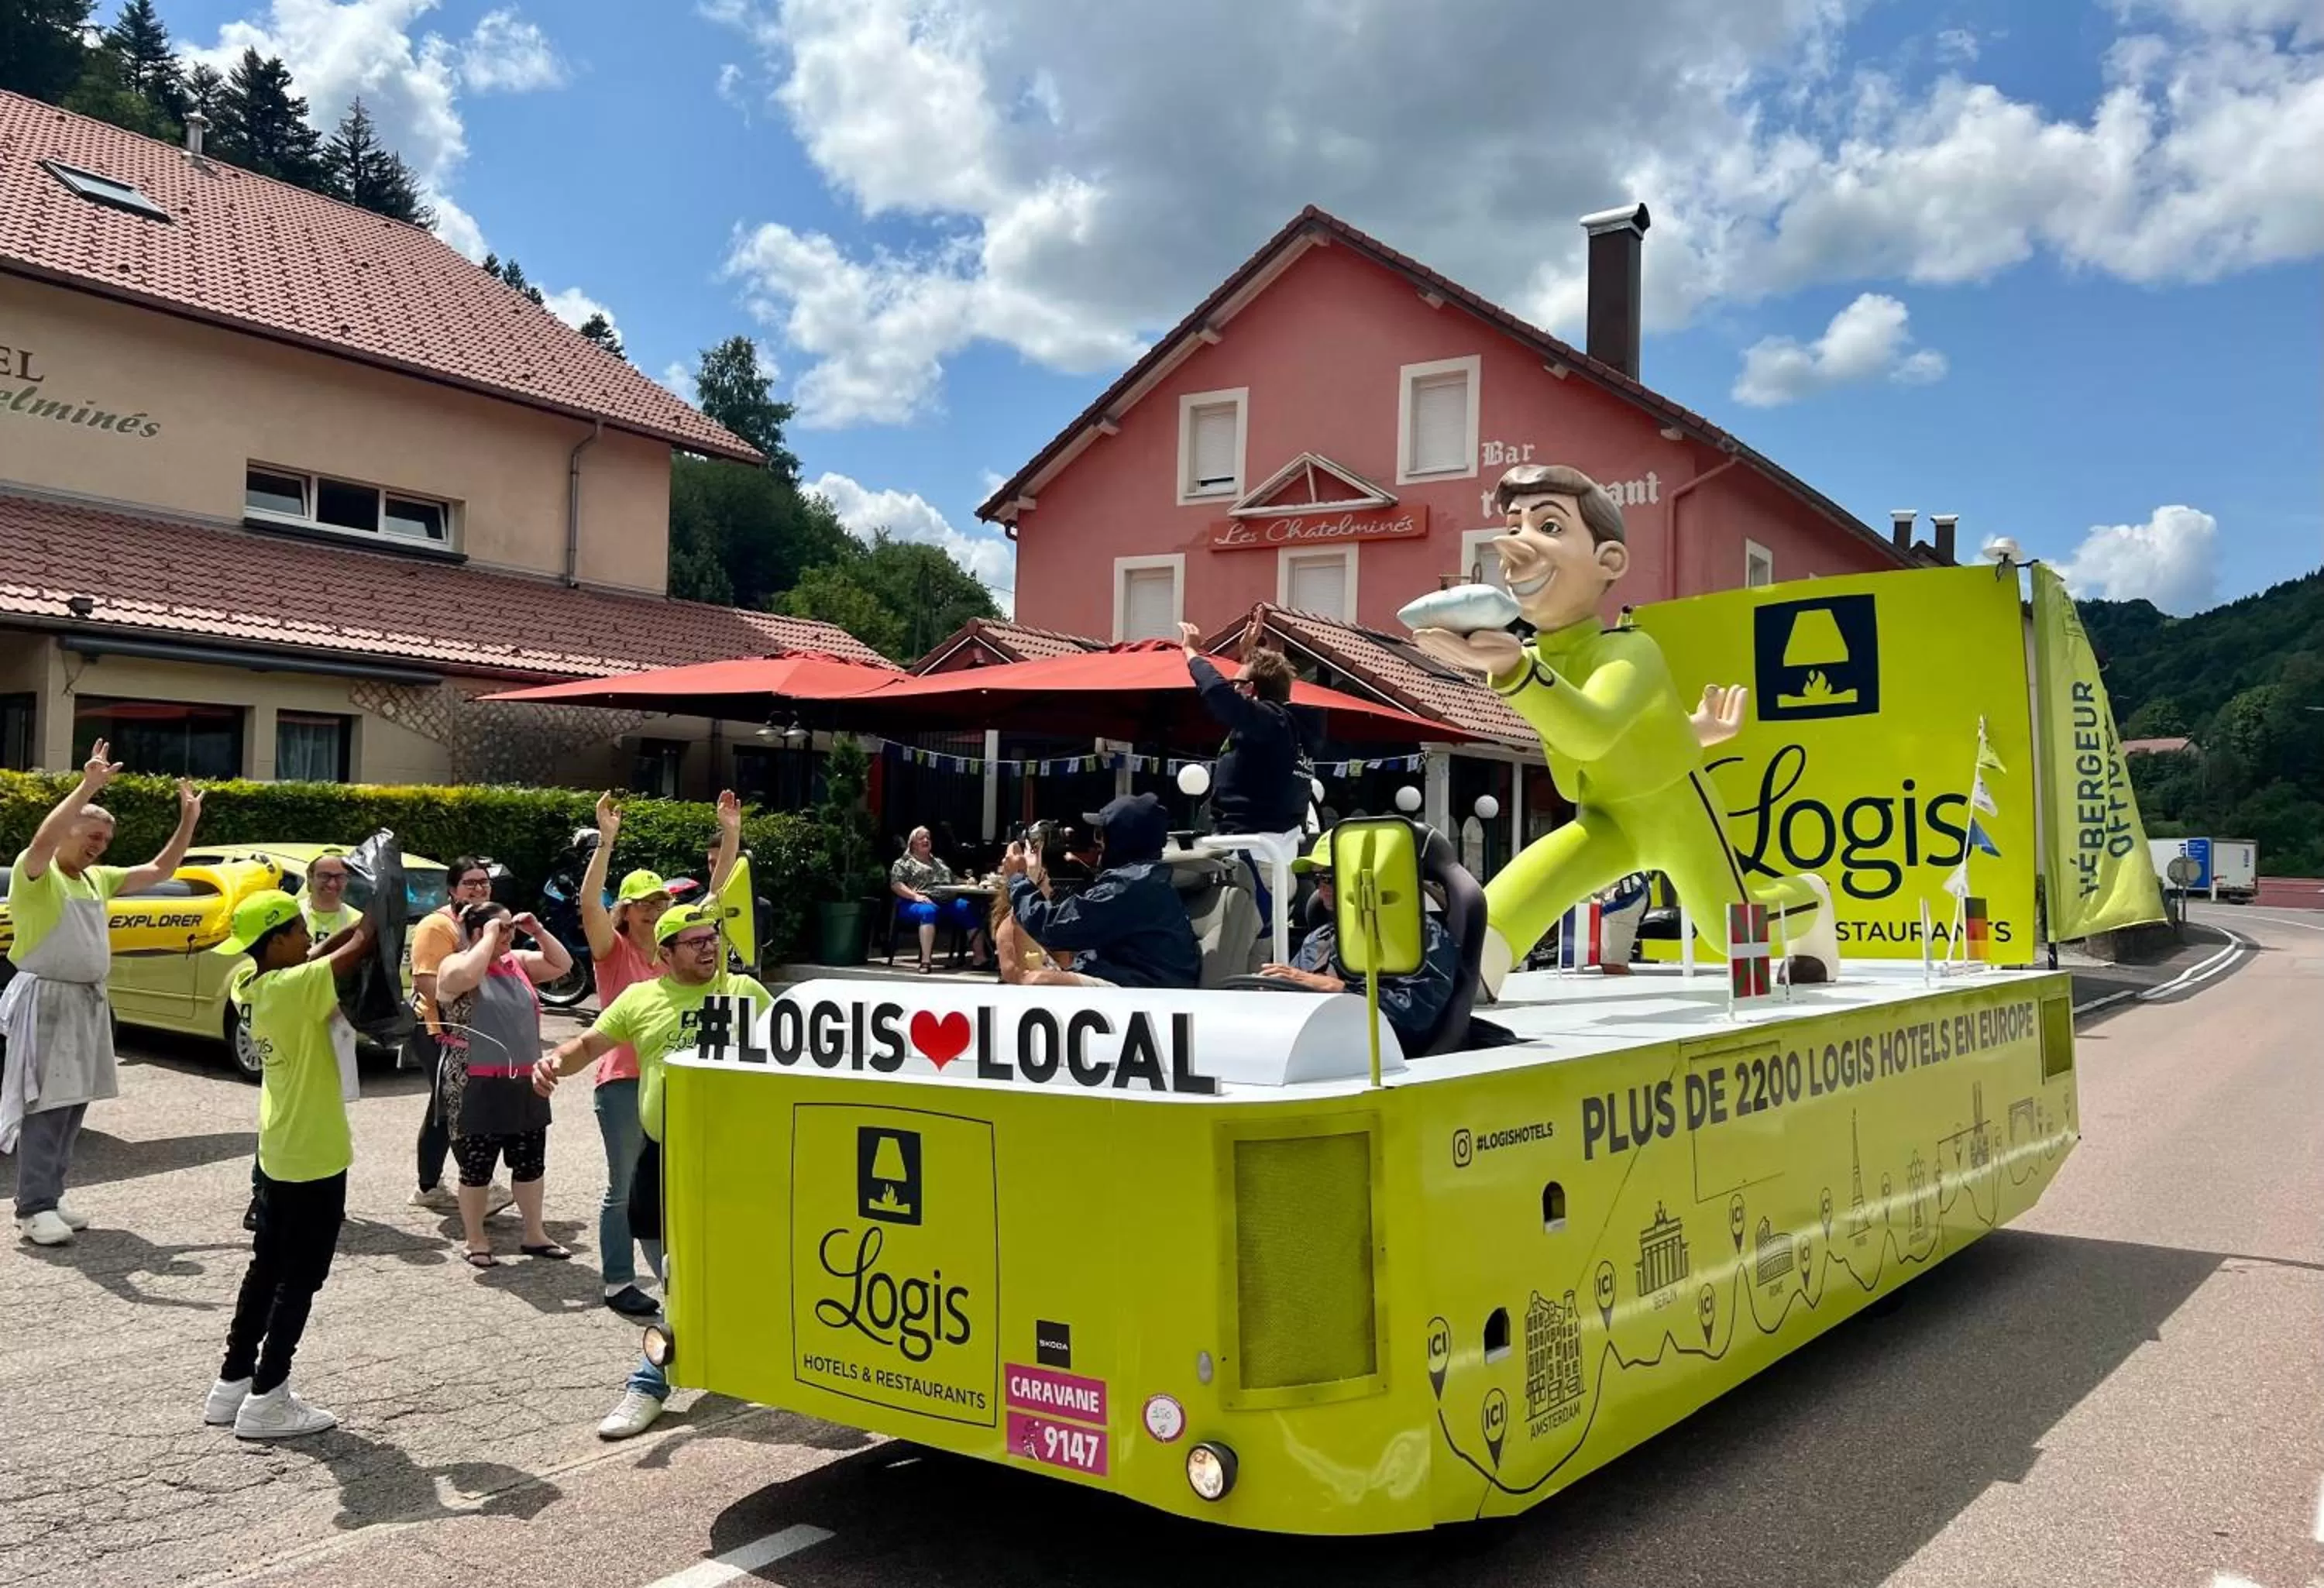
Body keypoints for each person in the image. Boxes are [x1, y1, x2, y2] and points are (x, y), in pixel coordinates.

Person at [1408, 462, 1841, 998]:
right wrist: (1692, 730)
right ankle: (1470, 980)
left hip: (1675, 811)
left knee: (1733, 930)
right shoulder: (1535, 654)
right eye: (1515, 525)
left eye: (1548, 527)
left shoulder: (1630, 648)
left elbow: (1594, 731)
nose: (1518, 544)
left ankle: (1812, 900)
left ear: (1608, 560)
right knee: (1520, 890)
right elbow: (1600, 728)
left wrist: (1515, 672)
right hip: (1605, 815)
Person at [531, 902, 772, 1441]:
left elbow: (796, 1056)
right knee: (677, 1279)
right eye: (694, 942)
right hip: (663, 1156)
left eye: (712, 938)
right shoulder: (641, 998)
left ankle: (649, 1384)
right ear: (664, 954)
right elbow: (590, 1045)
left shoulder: (745, 994)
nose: (709, 947)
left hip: (734, 1160)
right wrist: (552, 1064)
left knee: (705, 1280)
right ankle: (691, 1362)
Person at [3, 741, 203, 1247]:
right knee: (45, 1105)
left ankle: (52, 1192)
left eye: (105, 841)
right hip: (47, 1001)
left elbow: (160, 871)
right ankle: (33, 1207)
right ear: (69, 829)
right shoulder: (38, 876)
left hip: (85, 1002)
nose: (98, 846)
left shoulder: (96, 880)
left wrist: (188, 821)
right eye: (92, 836)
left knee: (74, 1103)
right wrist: (88, 786)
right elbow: (43, 838)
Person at [202, 889, 376, 1439]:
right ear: (276, 941)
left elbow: (325, 951)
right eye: (299, 929)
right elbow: (362, 945)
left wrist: (341, 933)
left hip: (278, 1147)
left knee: (267, 1268)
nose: (309, 937)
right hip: (313, 1151)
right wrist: (382, 899)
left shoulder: (249, 982)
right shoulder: (295, 987)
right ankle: (268, 1396)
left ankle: (233, 1381)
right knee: (301, 1277)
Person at [573, 790, 739, 1317]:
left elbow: (716, 901)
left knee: (677, 1184)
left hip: (672, 1082)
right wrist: (606, 842)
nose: (654, 910)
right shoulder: (612, 949)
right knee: (624, 1186)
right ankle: (619, 1280)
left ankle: (679, 1275)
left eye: (660, 903)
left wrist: (729, 831)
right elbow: (587, 904)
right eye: (644, 904)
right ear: (626, 910)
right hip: (622, 1081)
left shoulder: (677, 949)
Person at [431, 901, 573, 1268]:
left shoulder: (519, 962)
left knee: (530, 1162)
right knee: (477, 1166)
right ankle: (476, 1238)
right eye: (502, 928)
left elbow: (563, 965)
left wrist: (538, 931)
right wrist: (488, 937)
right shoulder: (454, 963)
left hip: (525, 1078)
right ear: (479, 931)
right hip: (475, 1081)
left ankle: (534, 1233)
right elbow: (463, 978)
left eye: (511, 928)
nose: (510, 934)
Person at [1258, 830, 1461, 1050]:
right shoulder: (1320, 938)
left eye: (1330, 878)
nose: (1321, 889)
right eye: (1317, 879)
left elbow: (1414, 1016)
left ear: (1370, 878)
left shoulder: (1422, 936)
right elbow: (1293, 989)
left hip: (1384, 1059)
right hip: (1316, 1049)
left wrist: (1339, 990)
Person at [996, 793, 1200, 990]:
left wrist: (1019, 878)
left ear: (1123, 838)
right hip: (1135, 978)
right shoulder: (1142, 879)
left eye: (1102, 834)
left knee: (1038, 981)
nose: (1098, 843)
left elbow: (1053, 928)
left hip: (1145, 986)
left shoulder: (1129, 885)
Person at [1179, 622, 1308, 922]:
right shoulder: (1285, 727)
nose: (1232, 687)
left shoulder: (1273, 723)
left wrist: (1192, 652)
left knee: (1240, 961)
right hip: (1265, 859)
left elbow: (1217, 693)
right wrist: (1249, 655)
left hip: (1253, 862)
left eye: (1237, 683)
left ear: (1250, 691)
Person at [406, 857, 511, 1218]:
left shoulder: (488, 921)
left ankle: (428, 1186)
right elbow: (426, 984)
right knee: (457, 1106)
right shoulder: (437, 926)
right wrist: (462, 999)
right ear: (452, 889)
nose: (479, 888)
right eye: (470, 883)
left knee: (443, 1107)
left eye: (484, 882)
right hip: (438, 1030)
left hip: (472, 1030)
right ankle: (480, 1185)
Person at [889, 826, 989, 973]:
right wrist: (915, 896)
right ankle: (926, 962)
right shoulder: (904, 863)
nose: (926, 840)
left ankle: (980, 959)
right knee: (928, 911)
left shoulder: (939, 862)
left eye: (928, 838)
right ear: (913, 843)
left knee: (967, 907)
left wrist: (967, 882)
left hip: (946, 902)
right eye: (922, 838)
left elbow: (953, 879)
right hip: (916, 902)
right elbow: (896, 884)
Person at [297, 849, 357, 938]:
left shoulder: (358, 922)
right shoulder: (293, 915)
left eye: (340, 877)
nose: (332, 884)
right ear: (310, 877)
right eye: (324, 876)